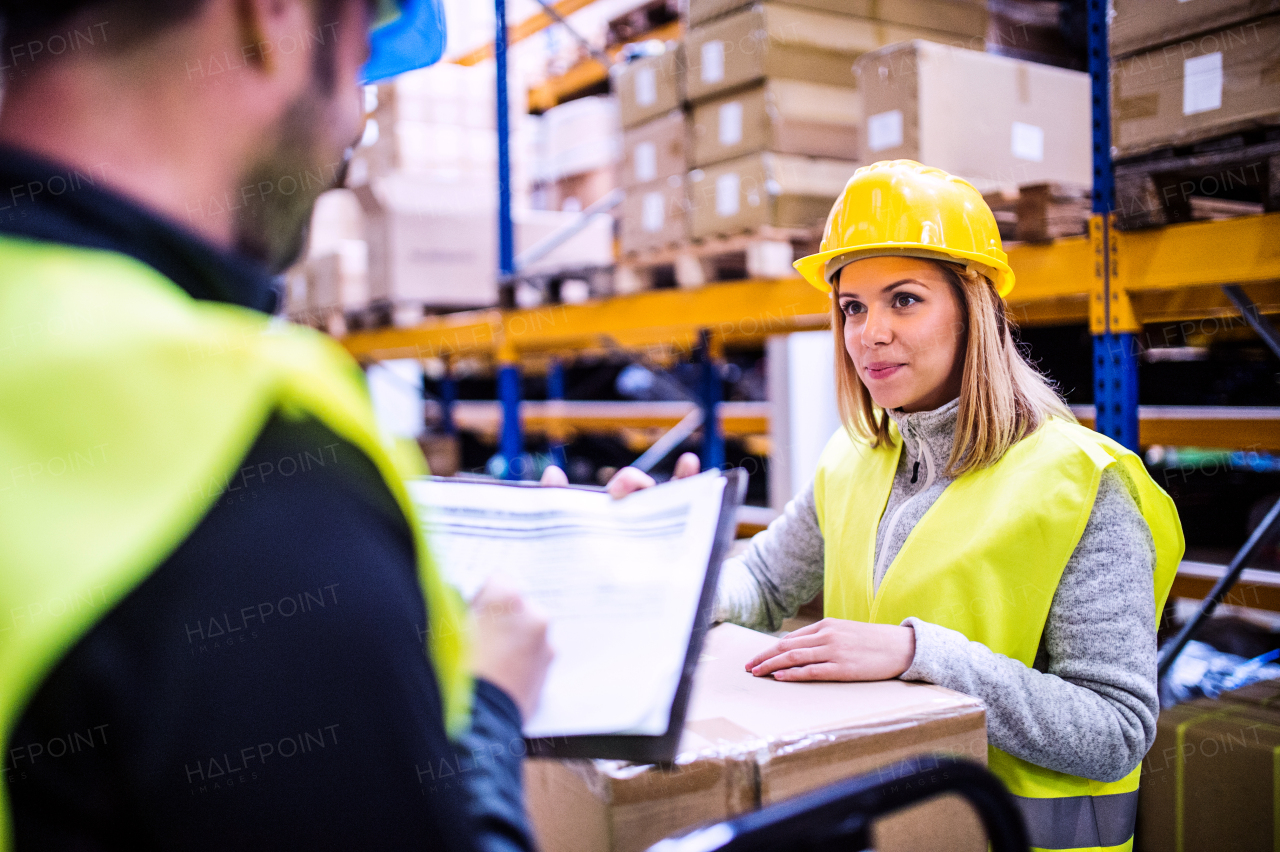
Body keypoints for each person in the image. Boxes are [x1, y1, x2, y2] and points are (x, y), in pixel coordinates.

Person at [0, 1, 551, 849]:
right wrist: (488, 707)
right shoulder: (251, 463)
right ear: (273, 17)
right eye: (363, 44)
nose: (356, 116)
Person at [607, 161, 1184, 852]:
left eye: (903, 299)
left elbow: (1115, 732)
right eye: (853, 307)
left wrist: (920, 653)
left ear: (973, 308)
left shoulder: (1082, 485)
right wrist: (672, 557)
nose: (868, 333)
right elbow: (759, 585)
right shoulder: (854, 460)